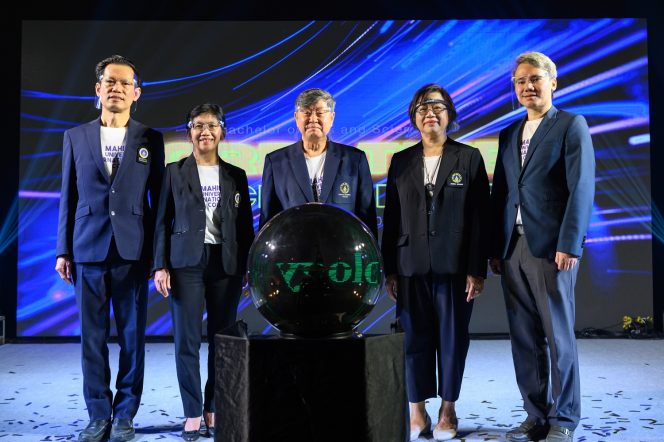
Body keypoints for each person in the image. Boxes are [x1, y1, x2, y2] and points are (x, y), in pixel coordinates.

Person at [55, 55, 165, 442]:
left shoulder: (150, 139)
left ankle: (125, 415)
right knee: (92, 338)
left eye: (124, 83)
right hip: (87, 249)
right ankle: (98, 414)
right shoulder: (75, 137)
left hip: (133, 252)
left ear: (136, 93)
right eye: (110, 82)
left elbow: (158, 204)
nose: (116, 88)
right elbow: (67, 196)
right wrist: (62, 250)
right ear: (98, 89)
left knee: (132, 339)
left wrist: (158, 257)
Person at [490, 52, 595, 442]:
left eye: (534, 78)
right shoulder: (508, 134)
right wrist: (495, 246)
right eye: (520, 81)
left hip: (552, 248)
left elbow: (581, 187)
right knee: (524, 337)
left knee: (558, 337)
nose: (527, 86)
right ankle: (535, 415)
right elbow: (501, 193)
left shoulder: (570, 125)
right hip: (513, 246)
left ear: (553, 82)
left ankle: (563, 419)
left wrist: (569, 243)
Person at [382, 84, 490, 441]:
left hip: (455, 267)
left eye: (437, 107)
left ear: (449, 115)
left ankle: (448, 408)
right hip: (410, 266)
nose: (430, 112)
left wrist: (476, 268)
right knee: (413, 338)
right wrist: (390, 269)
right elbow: (391, 218)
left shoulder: (469, 157)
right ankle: (417, 410)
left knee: (452, 339)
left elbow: (480, 218)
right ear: (414, 118)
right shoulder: (401, 161)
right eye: (422, 107)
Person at [152, 103, 254, 441]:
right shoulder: (173, 172)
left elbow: (245, 227)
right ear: (189, 132)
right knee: (187, 341)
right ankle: (193, 412)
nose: (205, 131)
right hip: (185, 264)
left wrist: (248, 266)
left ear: (222, 131)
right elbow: (161, 222)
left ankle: (213, 407)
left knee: (222, 341)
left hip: (226, 264)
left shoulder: (236, 175)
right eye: (198, 125)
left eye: (211, 125)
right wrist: (160, 265)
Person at [259, 88, 377, 236]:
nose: (313, 119)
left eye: (320, 113)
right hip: (293, 248)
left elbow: (367, 221)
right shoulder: (276, 162)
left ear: (332, 117)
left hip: (341, 248)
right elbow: (267, 224)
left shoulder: (354, 159)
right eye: (306, 112)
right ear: (296, 117)